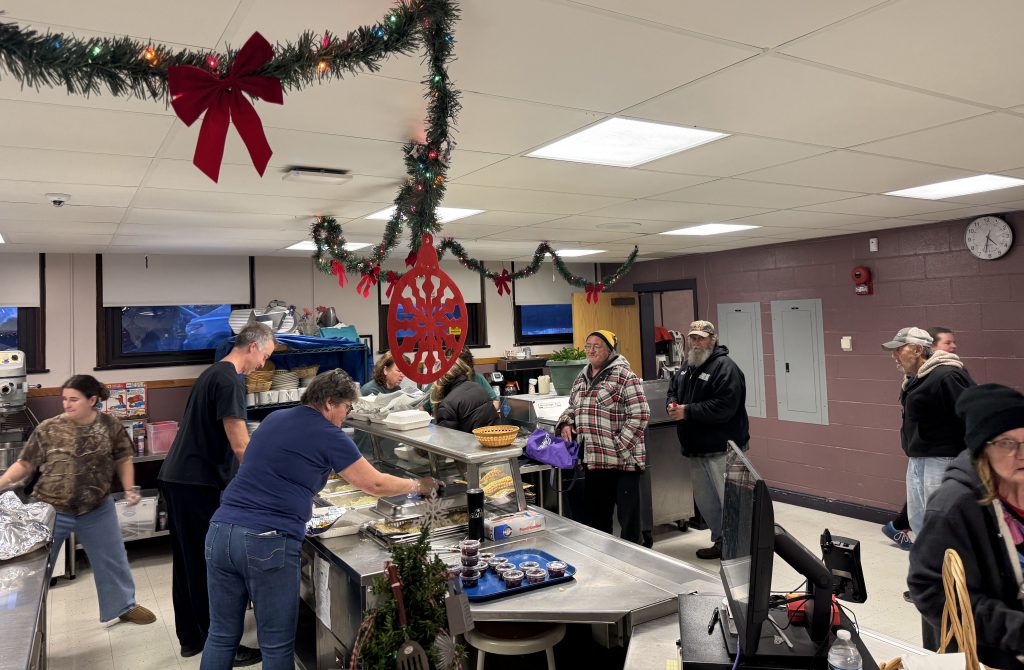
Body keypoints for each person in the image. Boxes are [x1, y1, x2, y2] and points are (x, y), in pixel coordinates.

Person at [200, 369, 438, 670]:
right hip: (266, 540)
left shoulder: (276, 418)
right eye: (346, 408)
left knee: (221, 636)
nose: (346, 415)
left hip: (220, 531)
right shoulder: (327, 434)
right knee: (275, 643)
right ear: (329, 403)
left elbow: (276, 462)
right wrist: (419, 485)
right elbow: (374, 485)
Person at [157, 323, 275, 664]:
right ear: (253, 346)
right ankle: (220, 643)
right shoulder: (229, 379)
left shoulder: (213, 373)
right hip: (196, 482)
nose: (263, 365)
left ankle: (191, 638)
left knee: (188, 562)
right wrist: (268, 481)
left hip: (179, 478)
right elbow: (240, 444)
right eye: (265, 356)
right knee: (210, 565)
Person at [0, 375, 156, 625]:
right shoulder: (49, 428)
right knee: (35, 570)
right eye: (64, 399)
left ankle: (123, 606)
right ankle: (20, 617)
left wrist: (129, 489)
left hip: (96, 507)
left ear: (92, 400)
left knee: (113, 559)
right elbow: (25, 463)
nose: (67, 404)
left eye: (74, 399)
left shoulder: (110, 425)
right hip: (51, 510)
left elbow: (124, 459)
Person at [908, 384, 1024, 666]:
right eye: (1006, 443)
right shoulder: (954, 507)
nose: (1021, 453)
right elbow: (930, 591)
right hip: (992, 655)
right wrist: (1013, 629)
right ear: (982, 448)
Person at [556, 330, 649, 544]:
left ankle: (634, 563)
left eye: (597, 346)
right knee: (598, 520)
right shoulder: (581, 377)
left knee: (629, 523)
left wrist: (618, 448)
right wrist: (566, 423)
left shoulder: (625, 376)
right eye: (588, 345)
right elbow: (573, 407)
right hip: (595, 461)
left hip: (623, 463)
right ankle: (604, 562)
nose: (591, 350)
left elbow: (640, 414)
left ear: (609, 349)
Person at [666, 320, 749, 560]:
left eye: (701, 338)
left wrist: (688, 411)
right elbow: (673, 389)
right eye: (693, 337)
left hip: (723, 448)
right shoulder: (687, 366)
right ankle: (721, 542)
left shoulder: (725, 367)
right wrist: (672, 404)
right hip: (695, 448)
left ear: (713, 339)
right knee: (707, 502)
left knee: (731, 502)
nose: (696, 342)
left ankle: (740, 549)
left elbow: (726, 406)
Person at [882, 326, 974, 540]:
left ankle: (952, 569)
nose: (894, 356)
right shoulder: (916, 379)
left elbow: (974, 414)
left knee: (943, 523)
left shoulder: (947, 375)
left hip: (943, 460)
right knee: (919, 519)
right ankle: (932, 565)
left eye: (898, 350)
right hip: (918, 458)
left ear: (917, 349)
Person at [431, 358, 499, 432]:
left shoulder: (448, 404)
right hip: (493, 440)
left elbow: (446, 439)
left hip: (471, 442)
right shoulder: (478, 387)